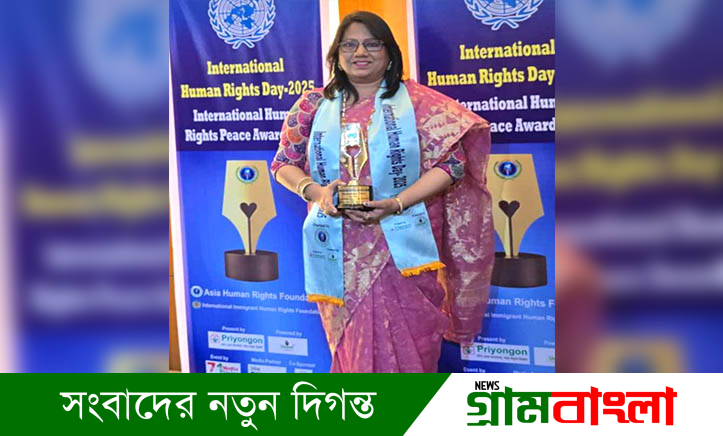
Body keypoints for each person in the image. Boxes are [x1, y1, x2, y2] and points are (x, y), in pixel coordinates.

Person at [272, 11, 493, 372]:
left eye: (372, 44)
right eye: (349, 44)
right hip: (339, 252)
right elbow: (284, 163)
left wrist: (397, 203)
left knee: (409, 351)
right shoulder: (313, 106)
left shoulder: (421, 104)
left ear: (390, 53)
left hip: (402, 248)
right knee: (353, 351)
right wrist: (316, 192)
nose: (360, 52)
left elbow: (452, 165)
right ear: (336, 55)